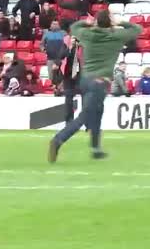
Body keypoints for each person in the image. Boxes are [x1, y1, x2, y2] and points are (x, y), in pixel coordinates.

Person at [49, 11, 142, 162]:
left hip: (85, 79)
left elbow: (74, 27)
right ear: (110, 22)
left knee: (98, 111)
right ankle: (58, 140)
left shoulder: (88, 35)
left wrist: (89, 23)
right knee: (85, 115)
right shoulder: (115, 37)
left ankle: (96, 148)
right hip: (100, 82)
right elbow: (137, 29)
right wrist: (119, 23)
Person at [61, 36, 82, 123]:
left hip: (81, 76)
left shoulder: (82, 49)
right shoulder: (66, 47)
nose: (73, 41)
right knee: (68, 98)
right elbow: (61, 56)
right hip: (68, 76)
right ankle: (69, 120)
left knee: (86, 98)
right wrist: (69, 48)